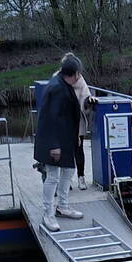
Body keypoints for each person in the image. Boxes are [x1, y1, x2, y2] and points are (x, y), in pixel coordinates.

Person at [33, 55, 87, 232]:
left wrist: (75, 136)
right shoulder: (56, 88)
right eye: (78, 74)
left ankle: (62, 206)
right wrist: (54, 146)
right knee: (53, 176)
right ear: (72, 74)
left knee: (69, 170)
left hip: (65, 139)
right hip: (53, 142)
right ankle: (48, 213)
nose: (80, 77)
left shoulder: (65, 84)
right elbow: (49, 119)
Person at [50, 53, 97, 191]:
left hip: (77, 121)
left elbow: (85, 96)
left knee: (78, 149)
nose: (76, 76)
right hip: (63, 122)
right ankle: (65, 180)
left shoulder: (80, 80)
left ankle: (81, 177)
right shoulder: (57, 79)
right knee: (64, 151)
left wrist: (89, 101)